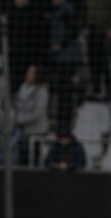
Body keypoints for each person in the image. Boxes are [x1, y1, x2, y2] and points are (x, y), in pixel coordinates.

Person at [48, 0, 81, 130]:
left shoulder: (67, 10)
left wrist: (60, 44)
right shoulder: (55, 11)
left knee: (65, 91)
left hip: (67, 57)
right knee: (61, 91)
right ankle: (61, 120)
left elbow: (73, 30)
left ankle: (65, 121)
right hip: (59, 58)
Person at [14, 65, 49, 164]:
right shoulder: (23, 87)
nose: (27, 75)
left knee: (33, 158)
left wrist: (19, 119)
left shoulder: (42, 91)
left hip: (36, 131)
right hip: (22, 130)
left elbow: (37, 113)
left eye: (30, 73)